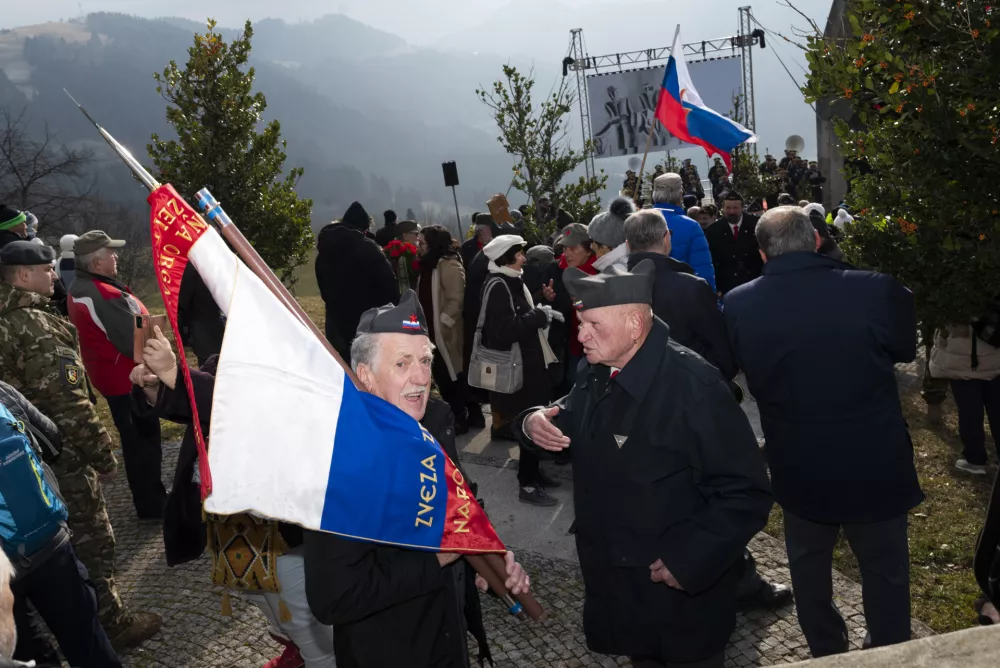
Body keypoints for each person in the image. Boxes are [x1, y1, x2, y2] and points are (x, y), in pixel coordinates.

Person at [516, 261, 773, 668]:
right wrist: (532, 421)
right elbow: (568, 415)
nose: (580, 336)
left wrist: (690, 558)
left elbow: (746, 491)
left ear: (635, 324)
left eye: (593, 325)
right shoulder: (597, 371)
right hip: (626, 591)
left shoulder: (695, 387)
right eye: (580, 323)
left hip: (682, 602)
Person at [724, 206, 923, 657]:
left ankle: (827, 654)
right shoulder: (873, 288)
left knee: (809, 570)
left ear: (761, 253)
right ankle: (890, 655)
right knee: (885, 570)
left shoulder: (738, 302)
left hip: (798, 459)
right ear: (816, 239)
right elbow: (904, 347)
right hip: (874, 456)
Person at [303, 292, 530, 668]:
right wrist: (440, 557)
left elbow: (463, 503)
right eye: (402, 363)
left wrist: (489, 554)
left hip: (449, 642)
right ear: (365, 377)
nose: (422, 377)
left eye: (425, 360)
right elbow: (334, 597)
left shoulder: (432, 427)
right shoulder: (341, 461)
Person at [130, 330, 336, 668]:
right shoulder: (223, 357)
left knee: (308, 624)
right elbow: (198, 404)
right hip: (230, 524)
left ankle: (316, 656)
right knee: (267, 604)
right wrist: (157, 387)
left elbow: (238, 402)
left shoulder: (294, 368)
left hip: (280, 532)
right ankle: (295, 650)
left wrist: (175, 375)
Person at [623, 210, 792, 611]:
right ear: (666, 238)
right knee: (712, 497)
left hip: (631, 412)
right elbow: (723, 353)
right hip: (692, 411)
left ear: (628, 245)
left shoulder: (612, 287)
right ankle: (738, 581)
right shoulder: (689, 287)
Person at [0, 241, 161, 651]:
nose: (54, 275)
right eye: (46, 270)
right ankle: (112, 622)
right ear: (23, 276)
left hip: (20, 455)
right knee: (91, 537)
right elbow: (68, 401)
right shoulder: (34, 324)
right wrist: (101, 453)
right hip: (61, 451)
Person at [0, 383, 121, 668]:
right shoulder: (2, 391)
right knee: (87, 640)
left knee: (23, 651)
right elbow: (52, 441)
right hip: (49, 540)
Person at [66, 231, 165, 520]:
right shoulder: (104, 295)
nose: (116, 257)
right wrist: (160, 338)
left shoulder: (81, 286)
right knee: (143, 443)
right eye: (111, 253)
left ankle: (151, 499)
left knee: (138, 441)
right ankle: (153, 505)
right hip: (128, 381)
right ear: (96, 263)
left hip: (114, 377)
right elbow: (137, 342)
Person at [479, 235, 561, 505]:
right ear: (506, 256)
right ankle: (526, 485)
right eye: (520, 254)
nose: (524, 258)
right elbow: (502, 331)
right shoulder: (499, 284)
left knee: (534, 419)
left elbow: (516, 312)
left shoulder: (511, 280)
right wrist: (537, 316)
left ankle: (534, 473)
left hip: (529, 368)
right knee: (530, 424)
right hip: (521, 372)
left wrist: (538, 300)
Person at [315, 201, 400, 363]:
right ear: (364, 227)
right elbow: (389, 288)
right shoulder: (368, 249)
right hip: (369, 328)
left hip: (336, 326)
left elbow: (324, 290)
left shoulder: (324, 252)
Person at [416, 225, 471, 433]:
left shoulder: (448, 265)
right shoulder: (429, 265)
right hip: (431, 332)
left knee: (451, 376)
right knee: (444, 375)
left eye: (422, 243)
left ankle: (462, 416)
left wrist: (444, 323)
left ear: (434, 244)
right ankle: (463, 414)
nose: (418, 247)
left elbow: (456, 299)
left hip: (445, 333)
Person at [929, 323, 1000, 474]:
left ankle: (975, 460)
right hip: (993, 353)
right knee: (996, 409)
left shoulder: (955, 301)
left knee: (970, 412)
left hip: (960, 358)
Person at [544, 223, 598, 394]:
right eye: (565, 248)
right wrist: (548, 299)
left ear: (589, 249)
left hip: (595, 342)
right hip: (566, 345)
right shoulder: (555, 269)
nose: (567, 253)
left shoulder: (601, 271)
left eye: (573, 248)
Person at [651, 173, 716, 290]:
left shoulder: (637, 223)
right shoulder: (691, 226)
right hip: (682, 297)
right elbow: (702, 270)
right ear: (680, 195)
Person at [705, 191, 763, 296]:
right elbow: (711, 261)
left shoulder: (758, 225)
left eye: (735, 207)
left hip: (754, 284)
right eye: (728, 208)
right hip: (728, 288)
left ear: (742, 208)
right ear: (722, 209)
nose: (731, 211)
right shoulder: (713, 231)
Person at [177, 264, 225, 365]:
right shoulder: (221, 263)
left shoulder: (193, 268)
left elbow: (183, 301)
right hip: (223, 323)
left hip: (203, 327)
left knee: (208, 366)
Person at [590, 197, 635, 274]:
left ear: (605, 246)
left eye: (593, 241)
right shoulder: (626, 263)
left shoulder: (614, 272)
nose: (591, 246)